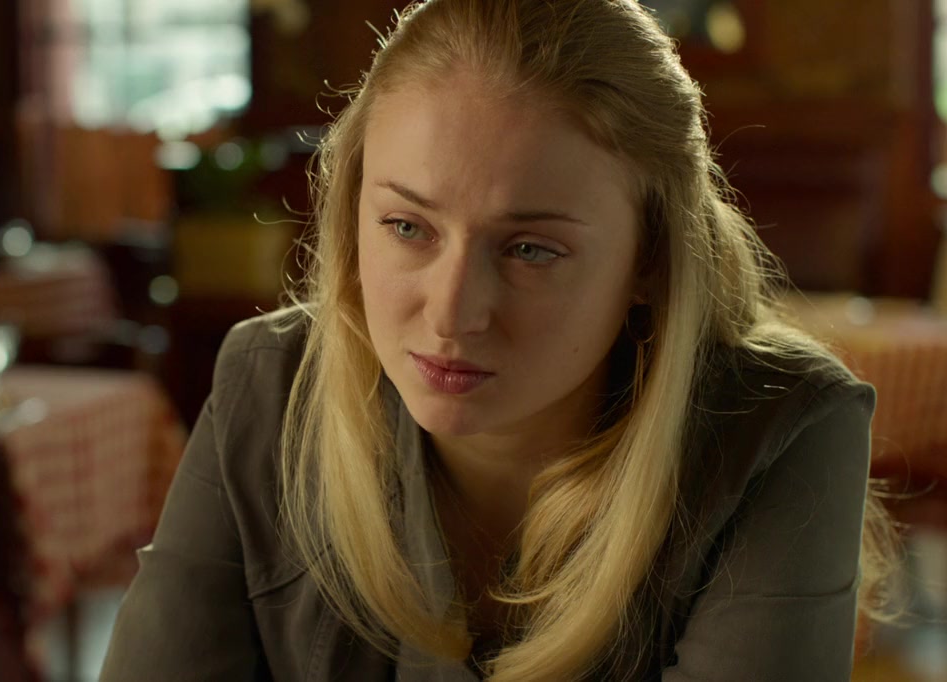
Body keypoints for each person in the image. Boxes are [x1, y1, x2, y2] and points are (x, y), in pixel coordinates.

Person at [101, 1, 899, 679]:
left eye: (529, 250)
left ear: (651, 260)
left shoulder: (781, 430)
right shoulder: (270, 382)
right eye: (407, 227)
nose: (453, 314)